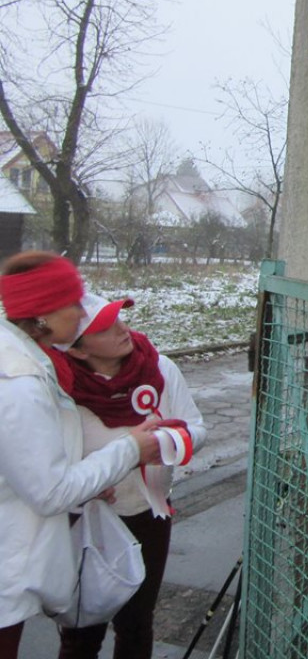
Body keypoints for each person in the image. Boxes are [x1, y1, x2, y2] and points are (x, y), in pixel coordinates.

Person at [0, 252, 162, 659]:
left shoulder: (26, 362)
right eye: (73, 302)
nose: (80, 311)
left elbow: (30, 468)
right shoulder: (20, 383)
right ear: (43, 314)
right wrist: (130, 449)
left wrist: (83, 488)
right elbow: (50, 491)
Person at [55, 293, 208, 659]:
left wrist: (168, 441)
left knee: (137, 623)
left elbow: (197, 427)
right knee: (81, 630)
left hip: (147, 515)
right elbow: (49, 464)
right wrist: (84, 488)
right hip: (83, 523)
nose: (123, 329)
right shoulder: (60, 388)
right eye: (106, 328)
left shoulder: (160, 368)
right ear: (77, 350)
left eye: (120, 318)